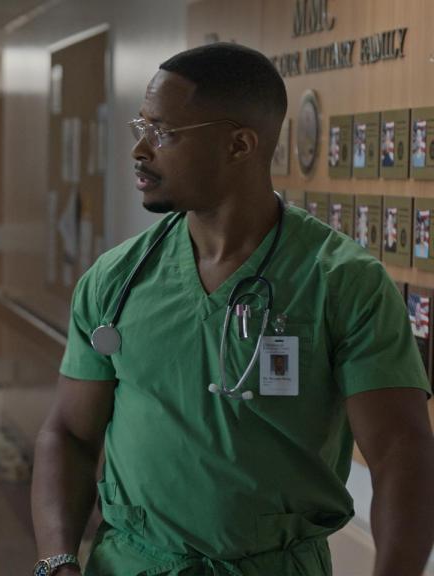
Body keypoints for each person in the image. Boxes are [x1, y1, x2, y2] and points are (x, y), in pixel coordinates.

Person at [31, 44, 434, 576]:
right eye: (141, 126)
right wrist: (57, 559)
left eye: (163, 133)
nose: (139, 150)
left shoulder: (342, 282)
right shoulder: (116, 280)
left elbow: (401, 454)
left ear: (239, 145)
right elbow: (70, 433)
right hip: (131, 564)